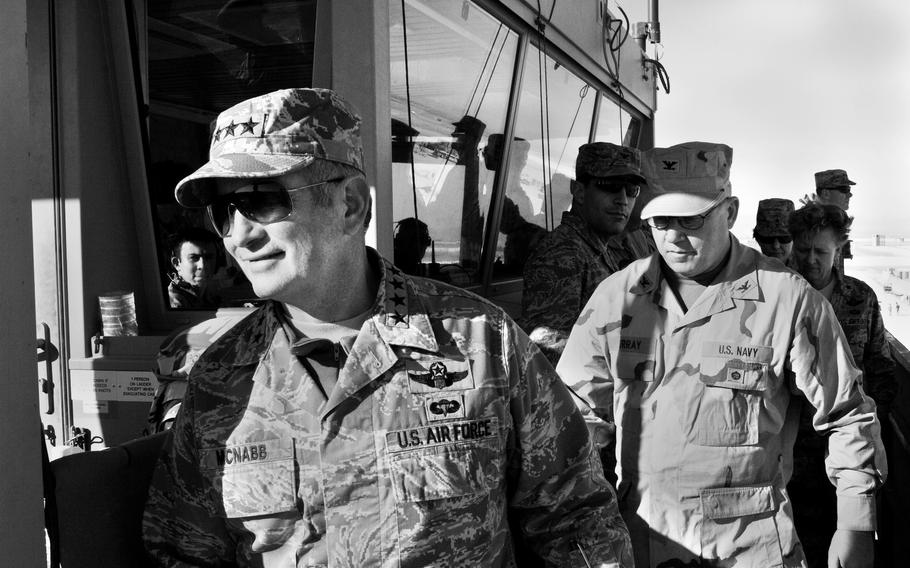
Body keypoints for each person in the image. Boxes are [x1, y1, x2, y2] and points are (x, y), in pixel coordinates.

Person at [142, 87, 633, 567]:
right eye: (223, 213)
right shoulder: (220, 379)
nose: (239, 235)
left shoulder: (482, 344)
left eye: (261, 201)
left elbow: (575, 519)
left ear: (351, 205)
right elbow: (183, 548)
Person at [557, 141, 887, 568]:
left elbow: (848, 413)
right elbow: (571, 421)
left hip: (748, 548)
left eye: (690, 218)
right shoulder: (616, 298)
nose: (673, 234)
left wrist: (855, 526)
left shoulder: (786, 298)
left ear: (729, 212)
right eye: (659, 219)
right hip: (641, 540)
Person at [787, 202, 897, 568]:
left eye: (822, 251)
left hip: (849, 452)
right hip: (791, 454)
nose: (811, 260)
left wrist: (871, 416)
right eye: (803, 250)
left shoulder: (860, 298)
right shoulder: (780, 297)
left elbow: (880, 364)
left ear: (839, 249)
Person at [521, 142, 652, 364]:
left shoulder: (597, 248)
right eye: (610, 186)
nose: (623, 200)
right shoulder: (563, 255)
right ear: (579, 192)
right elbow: (546, 351)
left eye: (631, 191)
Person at [166, 227, 220, 308]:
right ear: (176, 264)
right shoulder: (174, 302)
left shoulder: (210, 293)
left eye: (209, 257)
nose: (203, 265)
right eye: (194, 258)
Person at [752, 197, 795, 264]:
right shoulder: (747, 271)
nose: (776, 246)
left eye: (783, 239)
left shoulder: (807, 270)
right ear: (758, 239)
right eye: (768, 239)